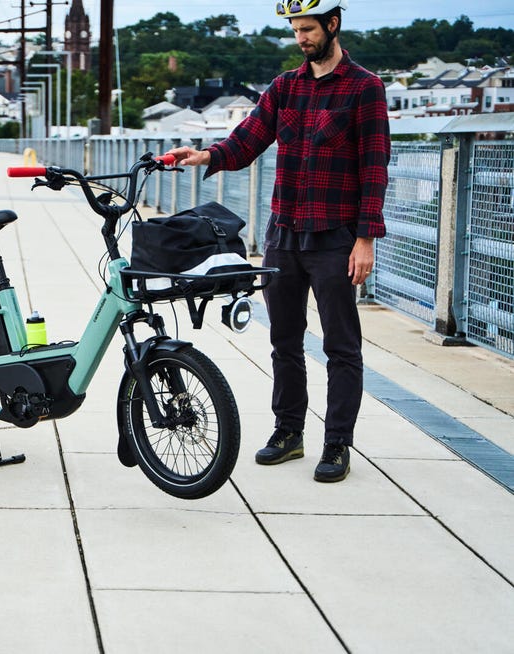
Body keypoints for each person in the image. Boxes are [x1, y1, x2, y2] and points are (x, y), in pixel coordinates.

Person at [166, 0, 390, 482]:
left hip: (336, 237)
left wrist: (366, 240)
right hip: (283, 234)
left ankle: (337, 444)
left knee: (341, 346)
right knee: (283, 341)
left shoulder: (365, 88)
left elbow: (375, 167)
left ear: (332, 25)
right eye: (295, 31)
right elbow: (248, 140)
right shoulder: (285, 87)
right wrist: (204, 155)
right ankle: (289, 432)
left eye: (308, 29)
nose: (301, 39)